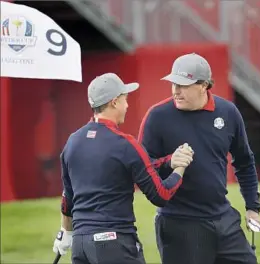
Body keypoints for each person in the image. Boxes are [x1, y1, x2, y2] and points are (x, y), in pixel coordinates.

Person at [52, 73, 194, 264]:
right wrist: (180, 167)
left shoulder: (73, 141)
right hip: (114, 245)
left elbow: (67, 198)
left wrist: (66, 231)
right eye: (125, 99)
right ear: (114, 102)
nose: (127, 105)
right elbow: (161, 194)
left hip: (81, 245)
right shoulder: (126, 144)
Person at [138, 53, 260, 264]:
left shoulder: (228, 112)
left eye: (183, 85)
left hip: (223, 218)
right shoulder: (157, 116)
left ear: (204, 85)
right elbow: (141, 168)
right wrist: (170, 161)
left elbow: (244, 162)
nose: (176, 91)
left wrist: (252, 207)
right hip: (179, 224)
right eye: (174, 84)